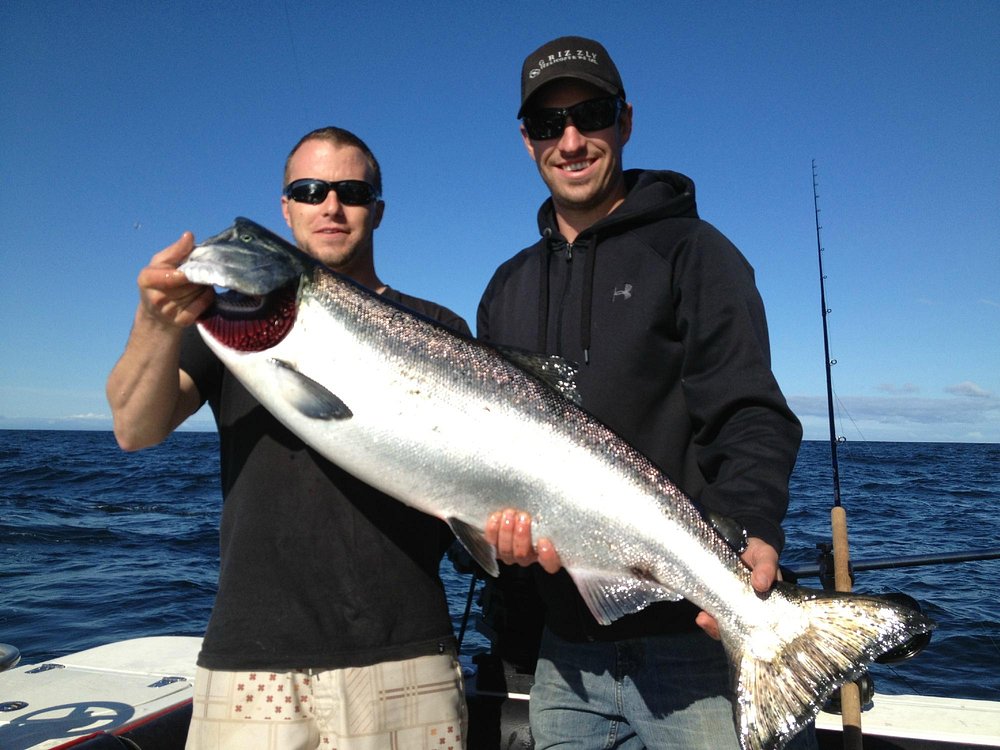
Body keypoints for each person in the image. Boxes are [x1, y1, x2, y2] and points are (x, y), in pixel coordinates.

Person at [478, 37, 812, 749]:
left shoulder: (695, 253)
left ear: (625, 120)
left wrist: (753, 525)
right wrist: (486, 537)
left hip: (694, 651)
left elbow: (749, 411)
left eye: (590, 114)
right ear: (526, 140)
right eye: (547, 124)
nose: (570, 140)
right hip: (563, 656)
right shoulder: (506, 288)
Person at [107, 126, 468, 750]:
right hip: (250, 662)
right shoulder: (226, 318)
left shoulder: (438, 328)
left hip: (407, 657)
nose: (331, 205)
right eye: (310, 189)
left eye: (352, 191)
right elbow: (134, 429)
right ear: (286, 207)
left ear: (377, 209)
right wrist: (155, 324)